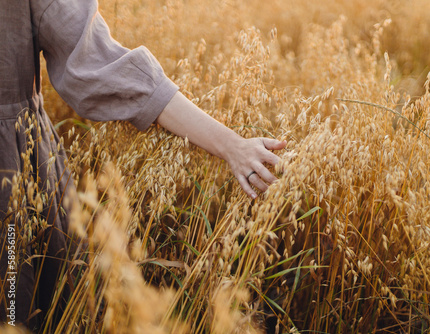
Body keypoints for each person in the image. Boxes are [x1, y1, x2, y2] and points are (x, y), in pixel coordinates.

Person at [0, 0, 286, 330]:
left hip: (13, 170)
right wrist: (232, 145)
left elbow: (99, 63)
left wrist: (232, 146)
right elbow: (96, 61)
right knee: (15, 308)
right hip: (11, 177)